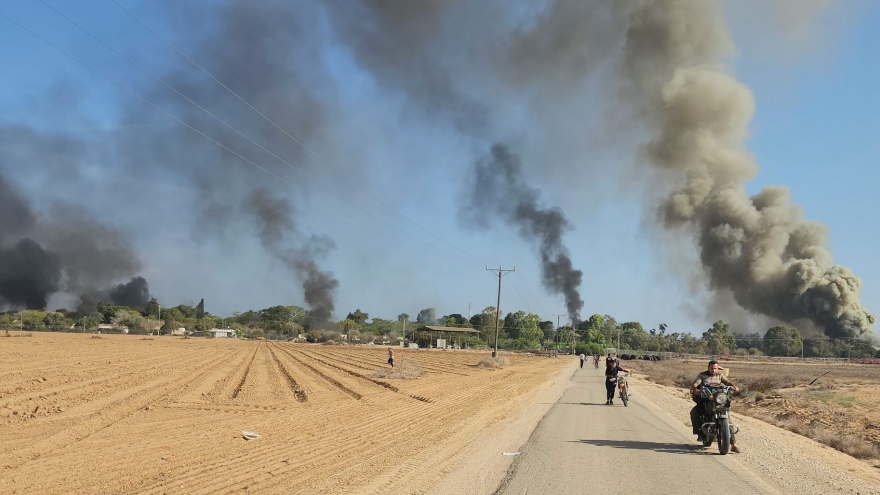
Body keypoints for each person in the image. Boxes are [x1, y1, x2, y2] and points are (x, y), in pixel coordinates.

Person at [690, 360, 740, 452]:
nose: (713, 370)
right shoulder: (702, 375)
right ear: (708, 367)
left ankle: (733, 445)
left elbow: (727, 382)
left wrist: (734, 386)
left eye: (715, 368)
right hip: (707, 398)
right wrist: (695, 388)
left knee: (728, 419)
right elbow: (697, 382)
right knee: (694, 412)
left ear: (717, 368)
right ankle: (700, 434)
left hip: (718, 398)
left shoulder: (719, 376)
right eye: (712, 368)